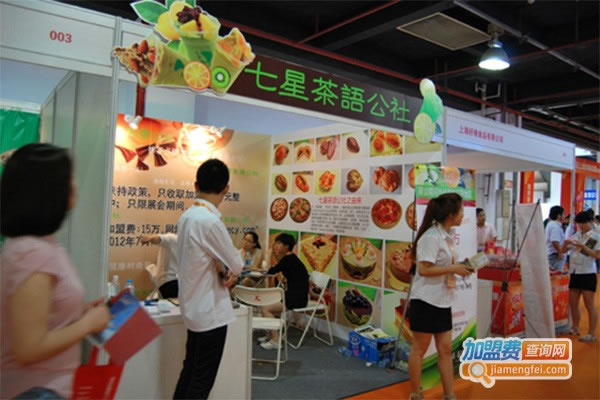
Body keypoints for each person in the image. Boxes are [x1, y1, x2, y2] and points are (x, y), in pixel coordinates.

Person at [0, 144, 111, 399]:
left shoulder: (40, 245)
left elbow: (40, 315)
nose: (75, 184)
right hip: (34, 391)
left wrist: (77, 312)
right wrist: (87, 324)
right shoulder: (32, 252)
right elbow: (28, 348)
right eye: (68, 176)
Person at [173, 158, 243, 399]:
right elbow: (237, 264)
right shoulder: (210, 221)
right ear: (226, 189)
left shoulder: (187, 217)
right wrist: (227, 265)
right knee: (202, 380)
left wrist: (220, 264)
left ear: (196, 185)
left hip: (193, 307)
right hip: (210, 312)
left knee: (190, 370)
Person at [407, 193, 472, 400]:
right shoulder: (431, 237)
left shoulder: (447, 235)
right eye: (461, 211)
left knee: (445, 349)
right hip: (425, 300)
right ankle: (415, 393)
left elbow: (442, 264)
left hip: (443, 300)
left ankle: (449, 394)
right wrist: (453, 268)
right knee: (419, 349)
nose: (463, 215)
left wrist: (461, 266)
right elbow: (424, 269)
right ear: (451, 214)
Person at [259, 233, 309, 350]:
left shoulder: (287, 259)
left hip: (296, 299)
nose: (275, 246)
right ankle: (271, 334)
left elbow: (270, 271)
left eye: (279, 243)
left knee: (265, 308)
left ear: (287, 246)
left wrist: (269, 254)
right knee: (267, 303)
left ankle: (276, 341)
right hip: (296, 295)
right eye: (275, 243)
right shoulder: (290, 258)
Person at [564, 211, 599, 343]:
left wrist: (582, 246)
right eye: (579, 224)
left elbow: (596, 255)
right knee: (573, 303)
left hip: (588, 273)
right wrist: (565, 244)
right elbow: (563, 250)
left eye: (583, 223)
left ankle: (591, 333)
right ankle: (575, 327)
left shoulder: (595, 236)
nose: (581, 226)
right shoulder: (576, 235)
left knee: (589, 304)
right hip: (574, 272)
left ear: (590, 222)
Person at [140, 233, 179, 298]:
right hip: (168, 282)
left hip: (179, 282)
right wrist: (150, 238)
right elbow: (160, 238)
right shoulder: (173, 239)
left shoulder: (191, 247)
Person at [545, 205, 566, 273]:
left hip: (552, 254)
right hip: (555, 255)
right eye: (563, 214)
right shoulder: (555, 226)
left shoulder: (551, 224)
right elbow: (555, 241)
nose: (564, 216)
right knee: (557, 274)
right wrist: (560, 252)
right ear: (559, 216)